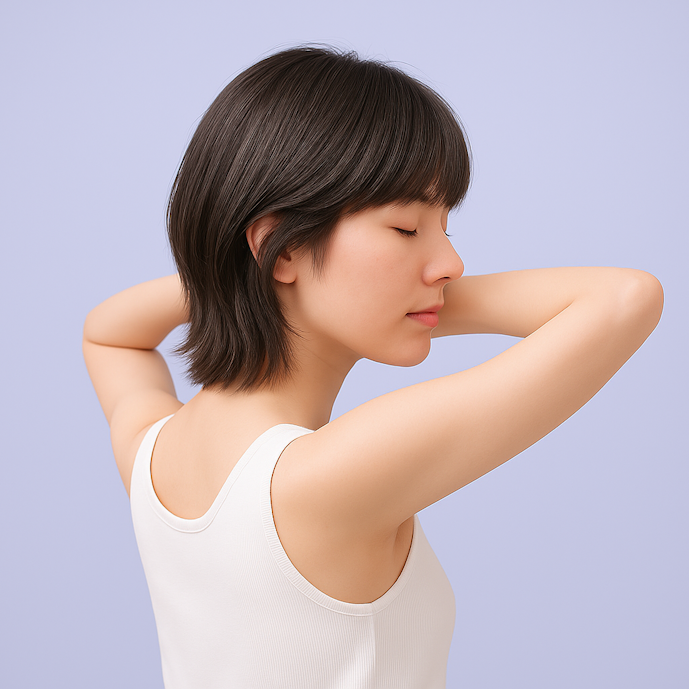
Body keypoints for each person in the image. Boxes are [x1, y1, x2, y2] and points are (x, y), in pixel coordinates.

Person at [82, 45, 663, 689]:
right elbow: (625, 298)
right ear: (281, 246)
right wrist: (277, 283)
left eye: (445, 227)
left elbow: (110, 335)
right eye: (408, 230)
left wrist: (249, 283)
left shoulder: (150, 453)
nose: (451, 264)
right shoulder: (327, 476)